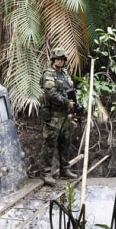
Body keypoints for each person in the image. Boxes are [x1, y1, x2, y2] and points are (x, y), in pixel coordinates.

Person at [39, 47, 79, 185]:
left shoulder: (65, 73)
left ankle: (65, 170)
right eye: (58, 59)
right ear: (53, 59)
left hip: (65, 114)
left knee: (65, 142)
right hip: (53, 114)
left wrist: (74, 109)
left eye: (62, 59)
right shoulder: (49, 74)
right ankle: (45, 173)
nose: (60, 61)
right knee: (50, 144)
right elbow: (51, 93)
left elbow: (70, 91)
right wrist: (67, 103)